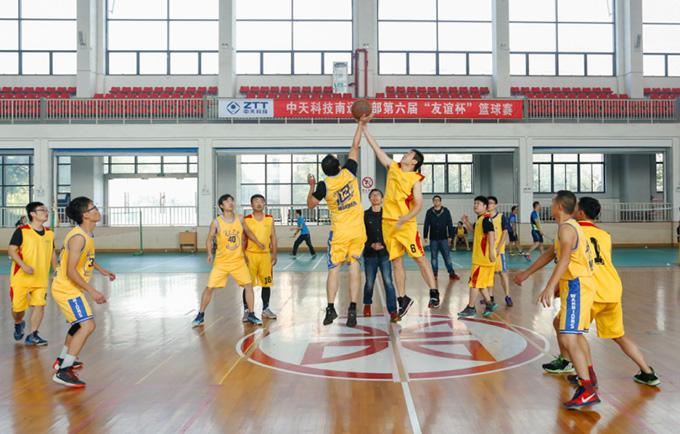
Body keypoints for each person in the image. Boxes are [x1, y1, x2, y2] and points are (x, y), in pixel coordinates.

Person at [540, 197, 660, 387]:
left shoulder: (572, 231)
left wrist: (554, 287)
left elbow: (570, 262)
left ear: (580, 213)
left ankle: (585, 373)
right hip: (612, 288)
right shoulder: (605, 235)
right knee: (618, 335)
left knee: (571, 332)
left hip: (589, 289)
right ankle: (647, 372)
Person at [513, 191, 599, 409]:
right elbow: (551, 254)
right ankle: (588, 377)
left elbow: (565, 260)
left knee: (569, 336)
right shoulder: (567, 227)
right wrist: (526, 273)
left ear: (559, 206)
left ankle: (587, 389)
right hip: (576, 286)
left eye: (552, 203)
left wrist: (550, 287)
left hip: (578, 285)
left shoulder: (567, 229)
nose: (549, 206)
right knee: (572, 334)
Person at [362, 122, 439, 314]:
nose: (405, 155)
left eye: (408, 154)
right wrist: (364, 130)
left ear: (414, 162)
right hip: (388, 224)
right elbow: (377, 150)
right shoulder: (393, 167)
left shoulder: (415, 179)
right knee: (396, 261)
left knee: (419, 257)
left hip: (405, 224)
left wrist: (405, 218)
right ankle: (403, 298)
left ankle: (434, 292)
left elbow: (418, 204)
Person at [51, 197, 116, 388]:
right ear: (85, 215)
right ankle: (64, 371)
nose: (97, 210)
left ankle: (62, 360)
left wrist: (101, 270)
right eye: (93, 208)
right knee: (87, 325)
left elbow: (86, 257)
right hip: (66, 289)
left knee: (78, 325)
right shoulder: (78, 237)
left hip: (72, 288)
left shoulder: (86, 234)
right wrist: (93, 291)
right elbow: (71, 271)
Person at [307, 120, 367, 327]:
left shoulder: (324, 185)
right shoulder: (349, 172)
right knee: (354, 266)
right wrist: (361, 124)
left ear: (325, 172)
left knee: (334, 269)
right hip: (358, 230)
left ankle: (331, 307)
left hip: (339, 232)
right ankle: (352, 308)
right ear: (339, 166)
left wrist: (312, 186)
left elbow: (311, 204)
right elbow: (354, 146)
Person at [192, 194, 265, 328]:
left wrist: (258, 242)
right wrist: (209, 253)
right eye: (226, 201)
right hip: (222, 262)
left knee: (248, 285)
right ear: (221, 205)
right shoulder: (217, 222)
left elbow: (248, 232)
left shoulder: (240, 219)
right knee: (209, 288)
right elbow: (209, 239)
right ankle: (200, 315)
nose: (230, 203)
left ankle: (251, 314)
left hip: (238, 261)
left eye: (232, 200)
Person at [8, 202, 58, 346]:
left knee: (39, 305)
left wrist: (56, 270)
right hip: (21, 278)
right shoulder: (22, 231)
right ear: (32, 214)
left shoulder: (50, 233)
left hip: (41, 278)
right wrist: (23, 265)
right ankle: (18, 323)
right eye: (42, 210)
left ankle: (33, 334)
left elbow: (52, 253)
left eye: (46, 210)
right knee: (18, 309)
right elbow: (11, 250)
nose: (46, 212)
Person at [362, 189, 399, 322]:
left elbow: (393, 233)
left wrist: (385, 245)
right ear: (370, 199)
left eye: (378, 195)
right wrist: (371, 245)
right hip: (370, 255)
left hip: (385, 254)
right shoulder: (364, 215)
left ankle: (393, 311)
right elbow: (361, 235)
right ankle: (367, 304)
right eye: (373, 195)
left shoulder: (388, 215)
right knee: (369, 283)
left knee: (388, 282)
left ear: (382, 199)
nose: (375, 197)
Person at [458, 196, 497, 318]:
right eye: (474, 203)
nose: (475, 205)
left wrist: (491, 251)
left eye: (478, 203)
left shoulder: (486, 219)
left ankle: (471, 308)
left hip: (482, 259)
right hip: (482, 259)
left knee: (474, 283)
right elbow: (475, 230)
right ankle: (489, 304)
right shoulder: (481, 219)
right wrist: (466, 222)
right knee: (480, 284)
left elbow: (491, 233)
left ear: (485, 206)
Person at [242, 194, 278, 322]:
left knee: (266, 283)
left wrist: (274, 254)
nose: (259, 203)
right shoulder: (246, 219)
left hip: (265, 256)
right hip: (250, 255)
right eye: (256, 201)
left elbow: (273, 237)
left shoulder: (269, 219)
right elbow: (243, 239)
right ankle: (247, 310)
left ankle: (266, 309)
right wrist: (243, 255)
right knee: (248, 284)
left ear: (264, 204)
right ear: (251, 205)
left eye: (261, 201)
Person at [423, 195, 460, 282]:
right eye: (435, 200)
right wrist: (425, 236)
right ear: (433, 202)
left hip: (444, 238)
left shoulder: (446, 211)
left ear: (440, 202)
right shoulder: (429, 212)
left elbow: (450, 224)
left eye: (438, 200)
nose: (436, 202)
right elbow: (426, 224)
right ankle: (434, 274)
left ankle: (451, 273)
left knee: (447, 257)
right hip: (433, 239)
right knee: (434, 257)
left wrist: (451, 236)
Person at [487, 196, 512, 307]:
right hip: (488, 252)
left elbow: (505, 233)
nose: (489, 205)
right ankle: (490, 297)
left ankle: (507, 296)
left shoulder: (501, 217)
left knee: (503, 273)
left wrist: (498, 248)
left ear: (495, 205)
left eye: (491, 203)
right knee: (490, 275)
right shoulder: (484, 218)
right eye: (487, 203)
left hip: (499, 252)